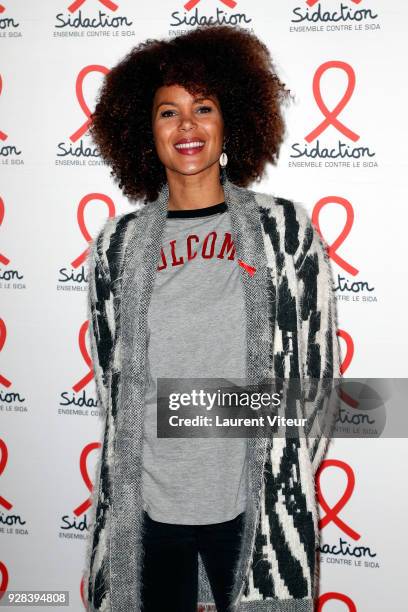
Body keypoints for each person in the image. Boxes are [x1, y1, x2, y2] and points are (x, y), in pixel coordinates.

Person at [83, 24, 342, 612]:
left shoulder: (284, 230)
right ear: (146, 132)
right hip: (146, 508)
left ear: (230, 123)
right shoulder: (116, 246)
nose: (187, 126)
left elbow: (316, 378)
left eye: (204, 107)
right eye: (168, 112)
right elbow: (112, 386)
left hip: (253, 503)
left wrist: (281, 467)